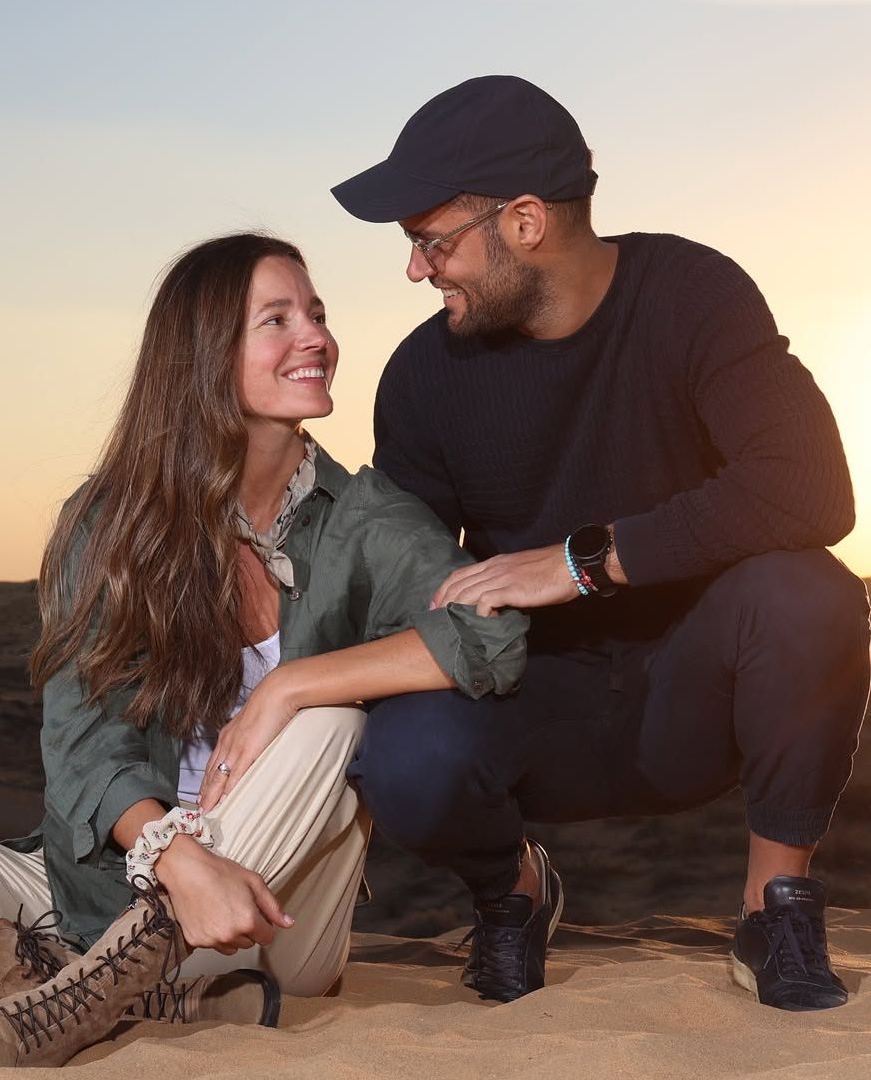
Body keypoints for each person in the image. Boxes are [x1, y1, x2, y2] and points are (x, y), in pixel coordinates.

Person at [0, 233, 528, 1072]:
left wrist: (291, 684)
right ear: (204, 355)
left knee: (330, 723)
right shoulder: (113, 521)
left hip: (266, 925)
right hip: (96, 899)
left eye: (317, 314)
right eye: (277, 319)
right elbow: (81, 741)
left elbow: (491, 634)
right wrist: (176, 860)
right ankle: (73, 984)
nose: (315, 337)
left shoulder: (363, 516)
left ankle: (78, 998)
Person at [331, 75, 870, 1012]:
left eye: (430, 241)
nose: (417, 270)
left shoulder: (694, 293)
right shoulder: (422, 376)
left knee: (813, 591)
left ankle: (772, 903)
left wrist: (583, 561)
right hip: (532, 703)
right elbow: (408, 581)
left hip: (698, 698)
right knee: (402, 751)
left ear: (527, 221)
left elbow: (809, 486)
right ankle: (514, 893)